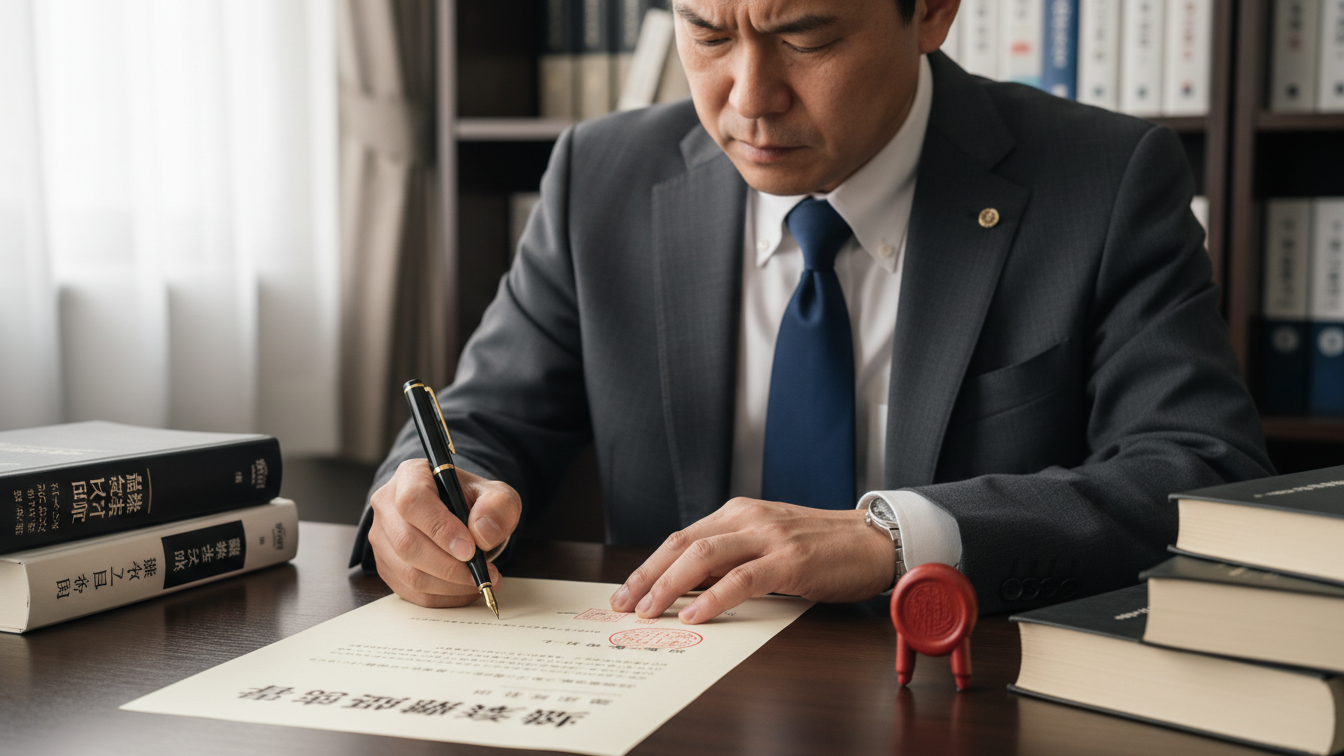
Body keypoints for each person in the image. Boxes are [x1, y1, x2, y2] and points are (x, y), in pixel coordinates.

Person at [349, 0, 1272, 621]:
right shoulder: (603, 178)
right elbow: (481, 419)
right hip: (671, 695)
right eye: (708, 34)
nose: (749, 99)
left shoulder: (1103, 183)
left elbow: (1196, 473)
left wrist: (894, 534)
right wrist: (424, 497)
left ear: (933, 12)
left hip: (962, 700)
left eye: (805, 39)